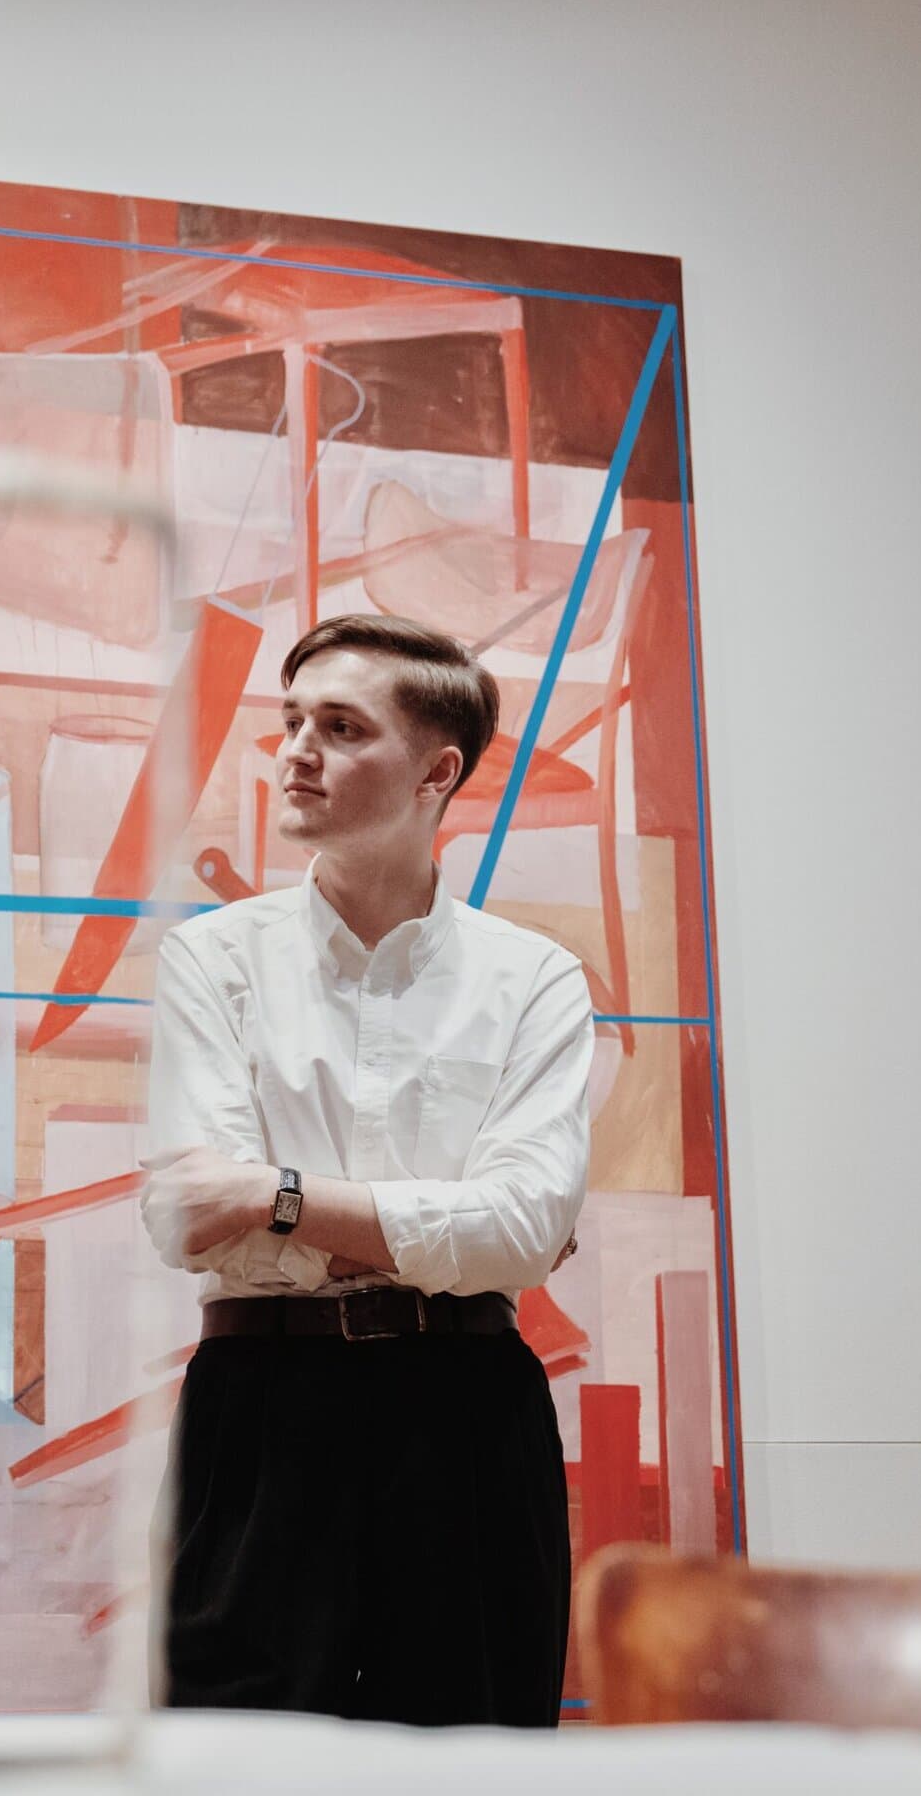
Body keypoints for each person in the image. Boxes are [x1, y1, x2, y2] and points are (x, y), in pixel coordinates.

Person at [140, 612, 592, 1727]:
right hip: (261, 1404)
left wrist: (276, 1195)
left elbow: (521, 1229)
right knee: (235, 1761)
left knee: (470, 1760)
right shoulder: (213, 957)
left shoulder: (533, 979)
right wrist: (438, 1232)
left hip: (469, 1416)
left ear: (438, 773)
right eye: (293, 721)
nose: (296, 752)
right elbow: (186, 1215)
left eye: (342, 728)